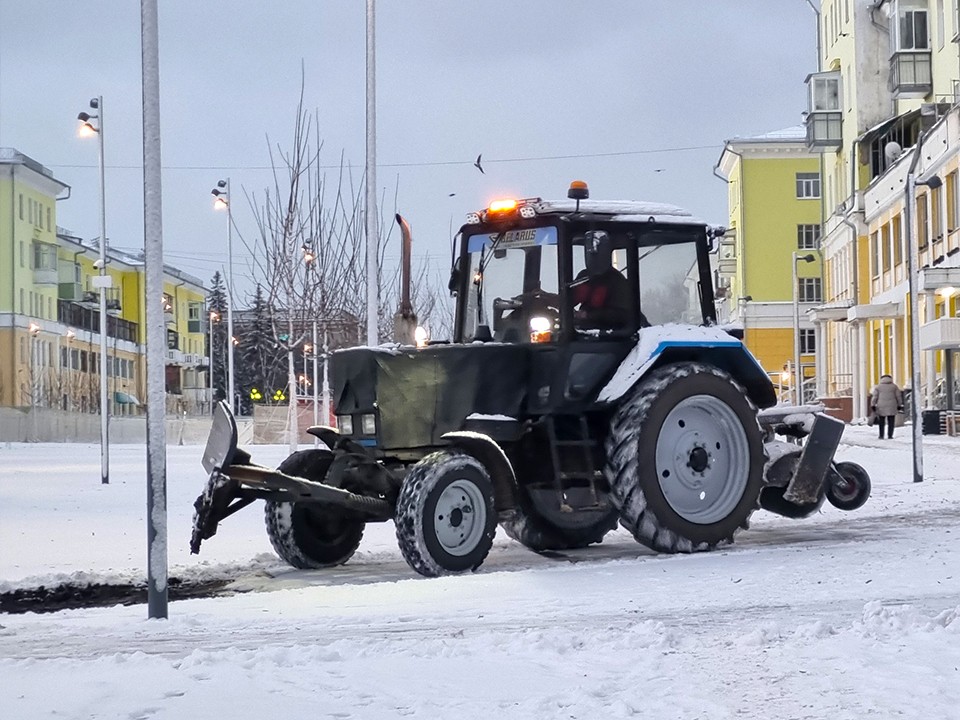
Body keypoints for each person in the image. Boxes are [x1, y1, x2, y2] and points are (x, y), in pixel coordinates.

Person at [572, 230, 632, 329]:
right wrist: (551, 300)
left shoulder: (616, 280)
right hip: (585, 330)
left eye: (596, 253)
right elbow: (570, 299)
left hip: (611, 333)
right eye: (590, 253)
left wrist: (588, 315)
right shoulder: (584, 276)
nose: (593, 257)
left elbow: (622, 315)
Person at [871, 374, 903, 439]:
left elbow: (875, 397)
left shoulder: (878, 387)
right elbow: (898, 396)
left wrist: (873, 405)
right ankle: (890, 435)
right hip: (892, 405)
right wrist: (899, 404)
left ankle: (881, 435)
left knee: (881, 421)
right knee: (891, 421)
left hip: (881, 406)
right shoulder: (894, 387)